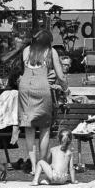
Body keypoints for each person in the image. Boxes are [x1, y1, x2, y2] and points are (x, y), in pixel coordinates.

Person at [18, 30, 67, 173]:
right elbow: (61, 76)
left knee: (29, 128)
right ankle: (42, 163)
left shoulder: (26, 50)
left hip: (25, 88)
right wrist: (66, 89)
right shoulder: (51, 52)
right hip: (42, 88)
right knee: (44, 127)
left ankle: (33, 166)